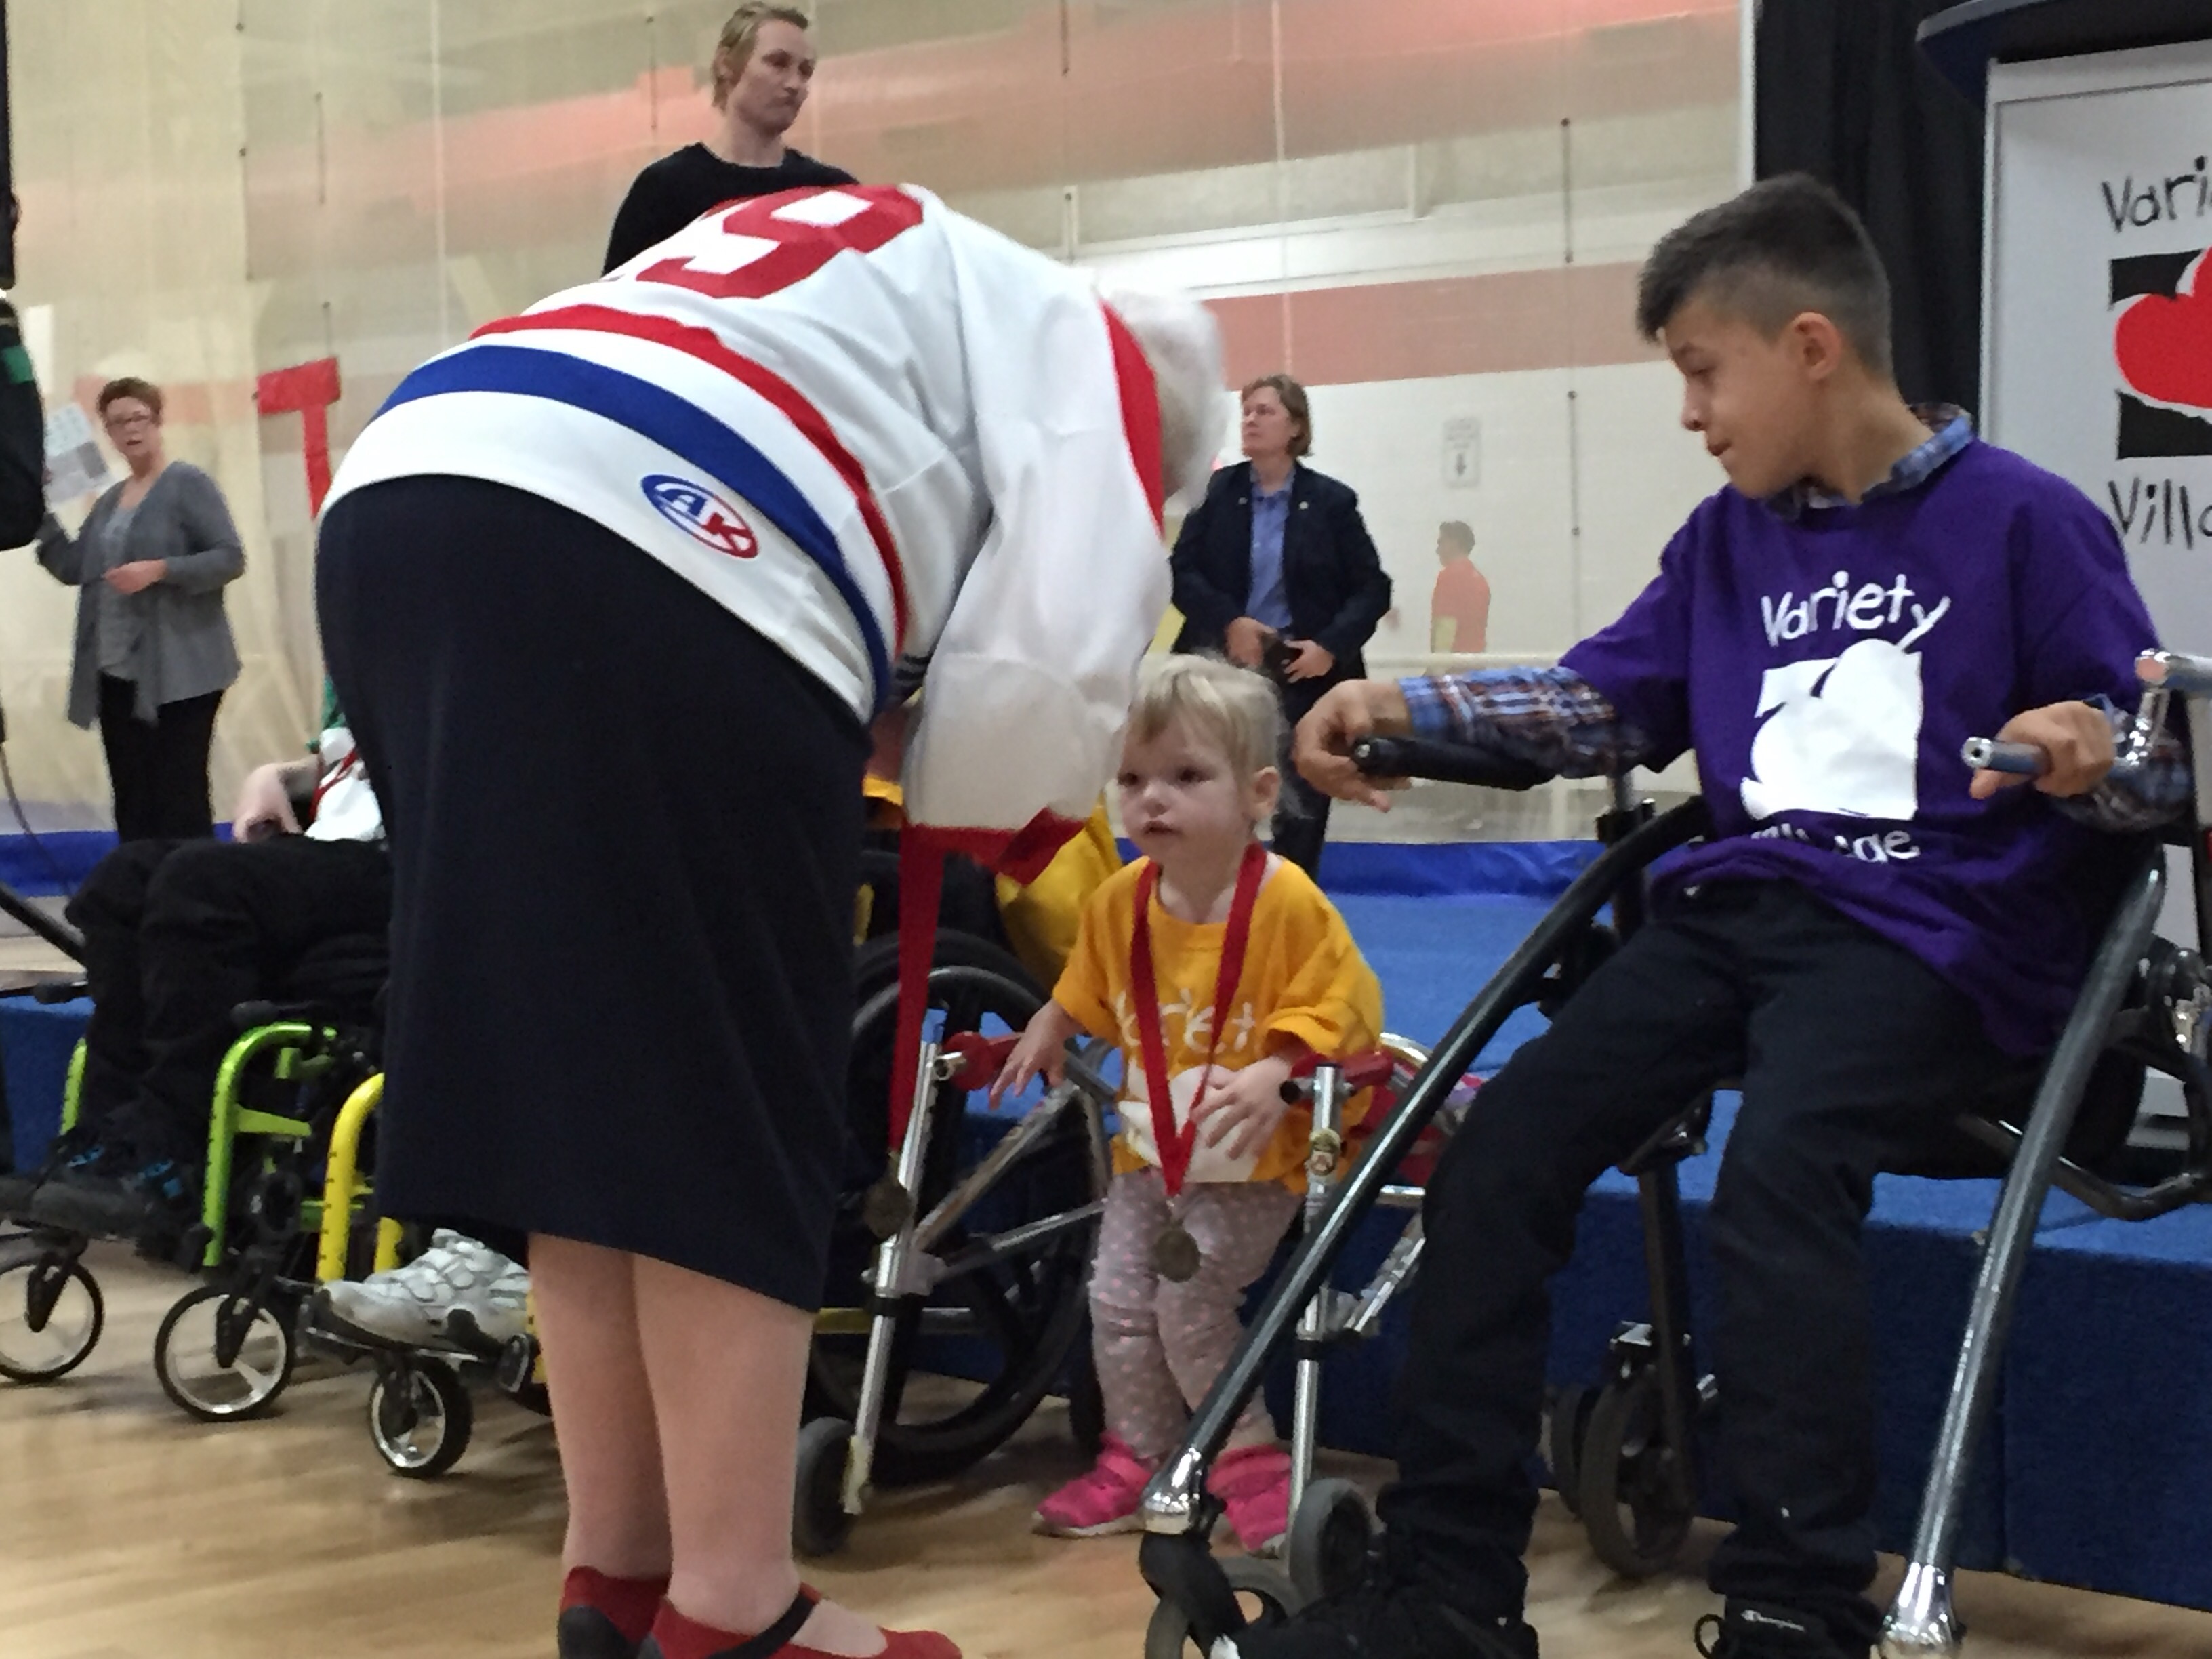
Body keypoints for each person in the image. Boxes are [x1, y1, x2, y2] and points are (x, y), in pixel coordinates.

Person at [1248, 175, 2189, 1659]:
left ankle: (1795, 1604)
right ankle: (1445, 1591)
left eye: (1702, 370)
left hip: (1933, 933)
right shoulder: (1725, 543)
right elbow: (1597, 703)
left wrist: (2087, 744)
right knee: (1497, 1150)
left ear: (1809, 345)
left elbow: (2158, 764)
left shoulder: (2022, 521)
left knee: (1778, 1168)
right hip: (1735, 918)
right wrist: (1399, 706)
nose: (1690, 412)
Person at [314, 182, 1222, 1659]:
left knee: (586, 1087)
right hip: (656, 528)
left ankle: (617, 1568)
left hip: (409, 486)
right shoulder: (1102, 364)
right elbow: (1042, 697)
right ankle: (738, 1607)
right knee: (722, 1091)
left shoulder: (896, 268)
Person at [994, 655, 1382, 1553]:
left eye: (1185, 776)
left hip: (1257, 1157)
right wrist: (1051, 1023)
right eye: (1132, 779)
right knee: (1116, 1301)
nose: (1151, 800)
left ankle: (1247, 1461)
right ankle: (1138, 1455)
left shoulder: (1287, 903)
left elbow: (1345, 1004)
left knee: (1189, 1301)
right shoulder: (1119, 901)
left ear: (1258, 794)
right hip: (1151, 1154)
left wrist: (1279, 1067)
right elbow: (1087, 985)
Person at [10, 684, 391, 1237]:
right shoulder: (376, 655)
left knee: (200, 884)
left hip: (404, 863)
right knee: (122, 880)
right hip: (330, 841)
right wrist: (281, 776)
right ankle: (108, 1137)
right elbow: (348, 759)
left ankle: (177, 1148)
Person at [1170, 373, 1390, 878]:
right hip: (1226, 669)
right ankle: (1216, 893)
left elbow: (1372, 589)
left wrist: (1329, 647)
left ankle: (1290, 900)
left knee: (1302, 802)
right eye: (1246, 411)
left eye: (1264, 411)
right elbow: (1181, 572)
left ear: (1295, 427)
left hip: (1303, 672)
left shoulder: (1332, 502)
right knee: (1216, 788)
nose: (1250, 420)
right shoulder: (1216, 493)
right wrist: (1229, 622)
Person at [31, 377, 244, 842]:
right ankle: (140, 885)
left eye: (138, 418)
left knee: (179, 795)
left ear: (157, 421)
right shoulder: (110, 500)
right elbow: (74, 566)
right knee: (132, 795)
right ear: (106, 432)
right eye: (117, 423)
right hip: (115, 673)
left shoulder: (187, 483)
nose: (130, 429)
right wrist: (38, 510)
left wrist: (161, 569)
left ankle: (190, 885)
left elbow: (230, 558)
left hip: (181, 672)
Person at [603, 5, 854, 273]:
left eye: (805, 71)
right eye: (777, 63)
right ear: (726, 64)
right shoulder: (663, 190)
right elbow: (618, 296)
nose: (795, 84)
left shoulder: (833, 193)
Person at [1429, 520, 1490, 654]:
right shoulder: (1480, 580)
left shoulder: (1449, 577)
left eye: (1441, 543)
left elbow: (1446, 625)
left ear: (1453, 543)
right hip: (1477, 661)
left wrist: (1437, 663)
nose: (1438, 550)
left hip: (1454, 661)